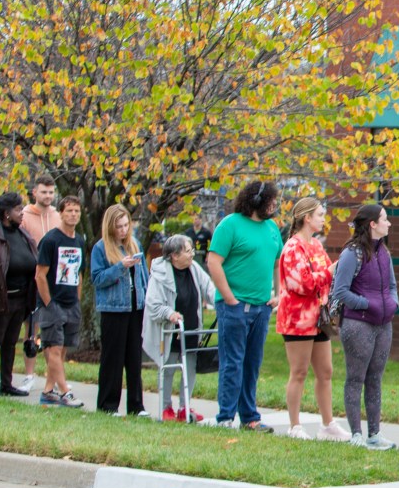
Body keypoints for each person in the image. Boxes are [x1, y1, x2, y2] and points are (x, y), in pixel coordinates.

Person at [205, 180, 283, 431]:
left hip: (262, 307)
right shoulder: (230, 225)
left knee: (252, 363)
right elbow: (214, 262)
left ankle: (249, 417)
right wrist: (229, 298)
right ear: (256, 201)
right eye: (271, 201)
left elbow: (276, 262)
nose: (274, 206)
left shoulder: (272, 228)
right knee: (232, 362)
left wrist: (278, 294)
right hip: (234, 307)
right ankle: (225, 417)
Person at [277, 197, 349, 441]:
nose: (323, 218)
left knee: (325, 371)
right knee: (299, 372)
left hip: (319, 318)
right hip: (297, 320)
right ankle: (294, 425)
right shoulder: (292, 248)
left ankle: (327, 424)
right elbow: (302, 283)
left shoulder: (316, 246)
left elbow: (328, 276)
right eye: (319, 214)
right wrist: (327, 273)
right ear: (306, 218)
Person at [330, 203, 399, 450]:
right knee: (355, 378)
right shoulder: (353, 253)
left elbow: (391, 285)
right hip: (358, 325)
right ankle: (356, 434)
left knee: (375, 378)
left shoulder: (384, 253)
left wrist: (393, 303)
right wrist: (367, 304)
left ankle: (374, 434)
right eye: (385, 219)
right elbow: (340, 291)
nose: (388, 223)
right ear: (372, 224)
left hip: (383, 324)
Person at [142, 234, 216, 421]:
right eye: (188, 250)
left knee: (189, 369)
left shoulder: (194, 268)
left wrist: (223, 302)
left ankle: (185, 408)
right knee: (168, 370)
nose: (192, 254)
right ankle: (166, 408)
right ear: (174, 255)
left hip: (190, 329)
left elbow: (209, 289)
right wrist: (170, 313)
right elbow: (153, 304)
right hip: (170, 331)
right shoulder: (160, 274)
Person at [90, 203, 150, 416]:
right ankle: (108, 404)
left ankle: (136, 405)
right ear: (110, 227)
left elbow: (144, 276)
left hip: (135, 307)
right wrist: (119, 267)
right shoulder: (100, 248)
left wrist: (147, 298)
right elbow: (97, 279)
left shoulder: (135, 243)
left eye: (126, 225)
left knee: (134, 358)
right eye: (119, 226)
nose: (123, 230)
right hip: (114, 308)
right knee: (112, 358)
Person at [34, 195, 86, 407]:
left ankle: (48, 390)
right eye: (69, 211)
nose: (73, 214)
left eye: (77, 211)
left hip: (71, 302)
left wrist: (77, 299)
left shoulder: (80, 240)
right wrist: (48, 303)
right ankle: (65, 392)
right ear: (61, 213)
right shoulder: (51, 240)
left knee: (63, 349)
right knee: (53, 348)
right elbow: (40, 274)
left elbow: (79, 273)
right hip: (52, 302)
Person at [17, 173, 58, 392]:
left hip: (53, 279)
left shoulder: (58, 216)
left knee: (53, 327)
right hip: (30, 279)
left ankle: (54, 376)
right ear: (35, 192)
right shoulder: (24, 215)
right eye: (44, 192)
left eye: (51, 192)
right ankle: (29, 375)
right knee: (30, 327)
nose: (48, 196)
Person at [0, 193, 38, 397]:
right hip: (1, 298)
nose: (22, 213)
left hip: (21, 298)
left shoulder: (23, 235)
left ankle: (6, 384)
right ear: (6, 214)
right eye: (18, 209)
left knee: (11, 341)